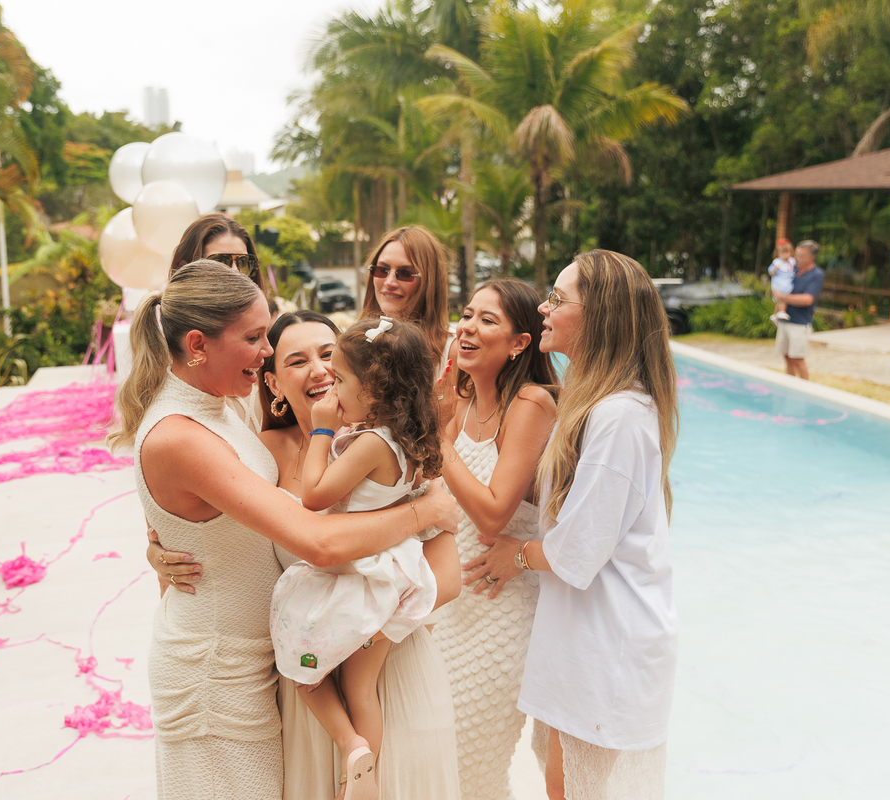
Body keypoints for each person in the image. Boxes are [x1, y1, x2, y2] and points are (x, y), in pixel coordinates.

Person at [108, 262, 459, 799]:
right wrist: (428, 511)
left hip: (274, 660)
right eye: (255, 338)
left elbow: (214, 520)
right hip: (220, 673)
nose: (266, 350)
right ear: (198, 345)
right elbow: (317, 542)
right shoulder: (180, 432)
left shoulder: (222, 408)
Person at [256, 310, 462, 800]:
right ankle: (358, 764)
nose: (322, 374)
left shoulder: (365, 443)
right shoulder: (256, 454)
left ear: (373, 385)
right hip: (320, 662)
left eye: (330, 359)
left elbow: (448, 578)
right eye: (297, 361)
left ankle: (361, 771)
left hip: (391, 664)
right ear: (273, 383)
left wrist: (364, 628)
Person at [510, 250, 679, 800]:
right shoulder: (598, 406)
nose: (544, 307)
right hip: (584, 633)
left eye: (558, 299)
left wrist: (514, 554)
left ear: (599, 318)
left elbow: (574, 552)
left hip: (608, 640)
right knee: (560, 780)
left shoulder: (618, 416)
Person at [431, 279, 558, 799]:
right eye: (467, 314)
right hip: (449, 609)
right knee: (435, 762)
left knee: (472, 769)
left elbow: (491, 514)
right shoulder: (461, 401)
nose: (467, 327)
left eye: (487, 320)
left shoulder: (531, 403)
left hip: (500, 612)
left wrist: (435, 436)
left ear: (519, 343)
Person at [169, 213, 266, 431]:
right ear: (185, 267)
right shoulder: (165, 349)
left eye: (244, 263)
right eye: (220, 263)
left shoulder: (268, 343)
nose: (235, 272)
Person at [361, 226, 453, 369]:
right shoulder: (353, 343)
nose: (389, 282)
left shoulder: (452, 351)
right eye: (382, 270)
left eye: (405, 273)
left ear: (429, 282)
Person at [773, 240, 825, 381]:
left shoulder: (816, 275)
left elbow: (807, 299)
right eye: (796, 254)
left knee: (797, 359)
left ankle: (805, 388)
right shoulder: (792, 269)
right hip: (785, 320)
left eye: (800, 256)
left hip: (799, 323)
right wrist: (776, 313)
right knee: (787, 357)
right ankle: (789, 385)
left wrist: (783, 297)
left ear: (811, 258)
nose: (796, 258)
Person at [768, 238, 796, 323]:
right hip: (780, 283)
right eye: (782, 253)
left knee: (784, 298)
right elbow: (771, 272)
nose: (784, 255)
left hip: (788, 283)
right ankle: (781, 312)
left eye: (786, 252)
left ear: (791, 252)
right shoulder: (777, 262)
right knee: (782, 298)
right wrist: (775, 269)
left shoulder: (792, 261)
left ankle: (776, 314)